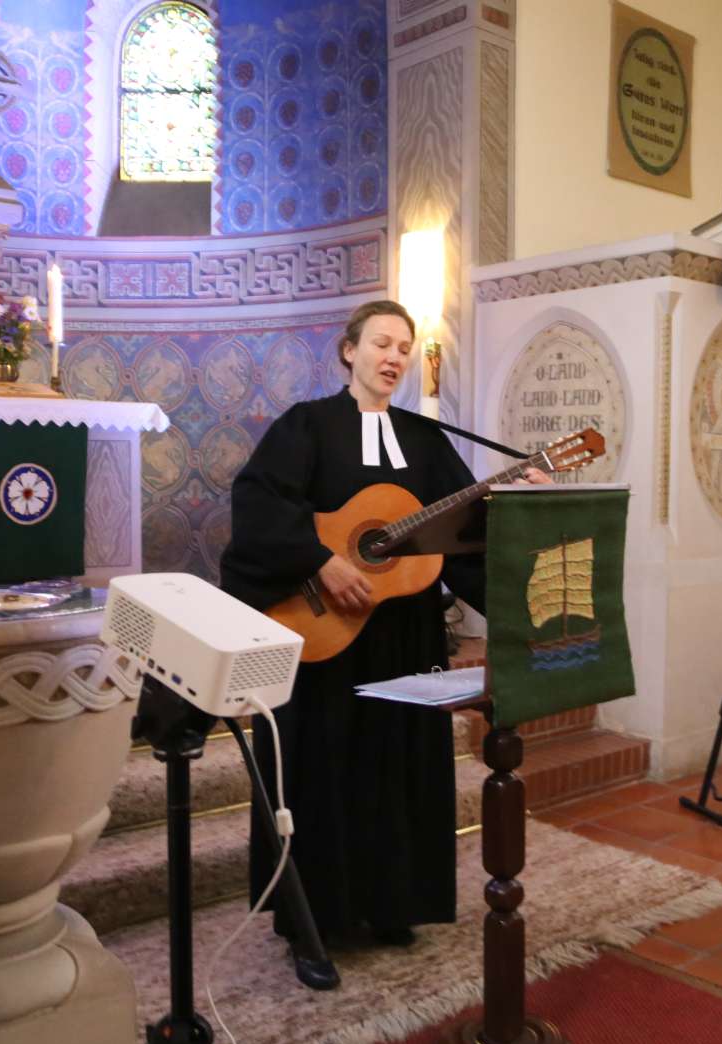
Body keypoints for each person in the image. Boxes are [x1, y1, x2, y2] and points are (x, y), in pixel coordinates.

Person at [220, 299, 548, 970]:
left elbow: (464, 532)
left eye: (405, 346)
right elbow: (257, 504)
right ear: (349, 351)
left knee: (398, 771)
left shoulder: (426, 441)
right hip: (328, 642)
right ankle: (313, 928)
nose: (394, 356)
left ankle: (391, 904)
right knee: (320, 778)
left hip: (405, 635)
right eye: (381, 343)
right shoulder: (306, 425)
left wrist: (517, 505)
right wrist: (320, 560)